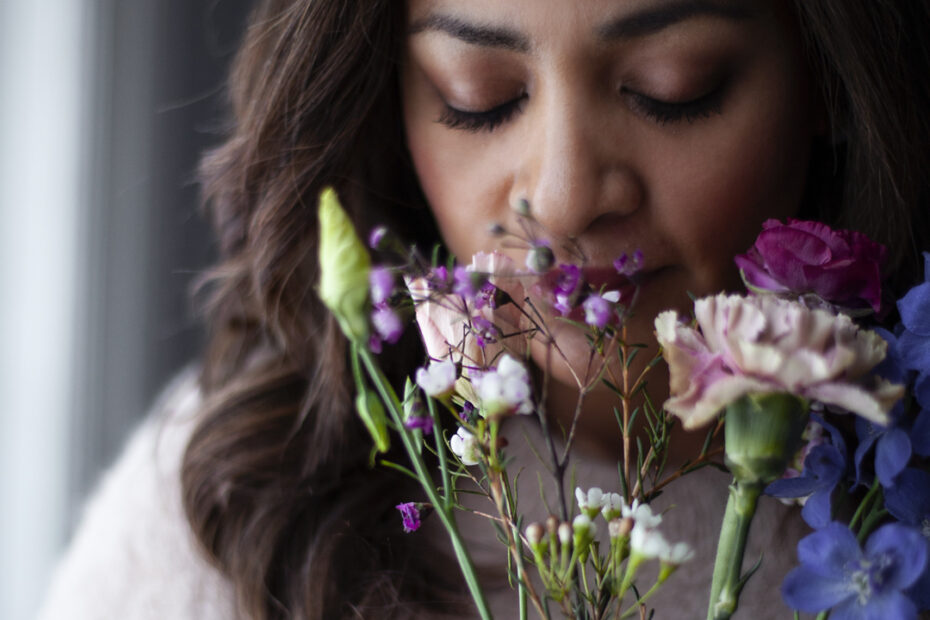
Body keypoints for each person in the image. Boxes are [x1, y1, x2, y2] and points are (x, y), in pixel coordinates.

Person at [38, 1, 930, 619]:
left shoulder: (894, 495)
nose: (565, 195)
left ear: (823, 83)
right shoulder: (232, 509)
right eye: (479, 97)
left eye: (673, 86)